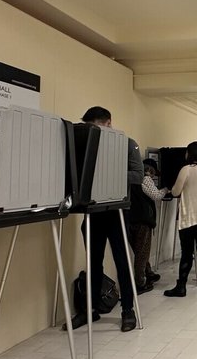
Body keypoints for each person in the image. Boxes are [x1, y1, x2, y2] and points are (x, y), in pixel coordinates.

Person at [71, 106, 143, 332]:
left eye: (98, 127)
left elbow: (138, 176)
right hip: (93, 210)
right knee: (93, 263)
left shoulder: (128, 144)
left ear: (109, 123)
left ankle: (127, 310)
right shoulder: (88, 144)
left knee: (122, 262)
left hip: (118, 210)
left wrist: (107, 173)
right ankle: (89, 310)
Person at [163, 141, 197, 297]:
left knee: (187, 252)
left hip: (190, 217)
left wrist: (169, 187)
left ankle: (181, 286)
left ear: (190, 153)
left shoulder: (186, 170)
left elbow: (175, 192)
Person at [128, 158, 168, 293]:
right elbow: (156, 195)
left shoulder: (129, 177)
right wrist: (166, 189)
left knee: (138, 249)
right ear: (150, 170)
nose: (153, 175)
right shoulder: (145, 179)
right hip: (143, 221)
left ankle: (149, 273)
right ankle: (140, 283)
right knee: (142, 252)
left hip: (129, 219)